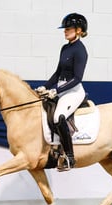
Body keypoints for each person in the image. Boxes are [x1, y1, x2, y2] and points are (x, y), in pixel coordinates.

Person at [36, 13, 88, 171]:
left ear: (79, 30)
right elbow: (58, 72)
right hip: (60, 89)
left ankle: (70, 158)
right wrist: (45, 86)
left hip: (73, 91)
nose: (65, 31)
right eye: (65, 28)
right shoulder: (65, 48)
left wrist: (56, 90)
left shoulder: (80, 51)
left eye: (68, 28)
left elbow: (78, 78)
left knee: (59, 117)